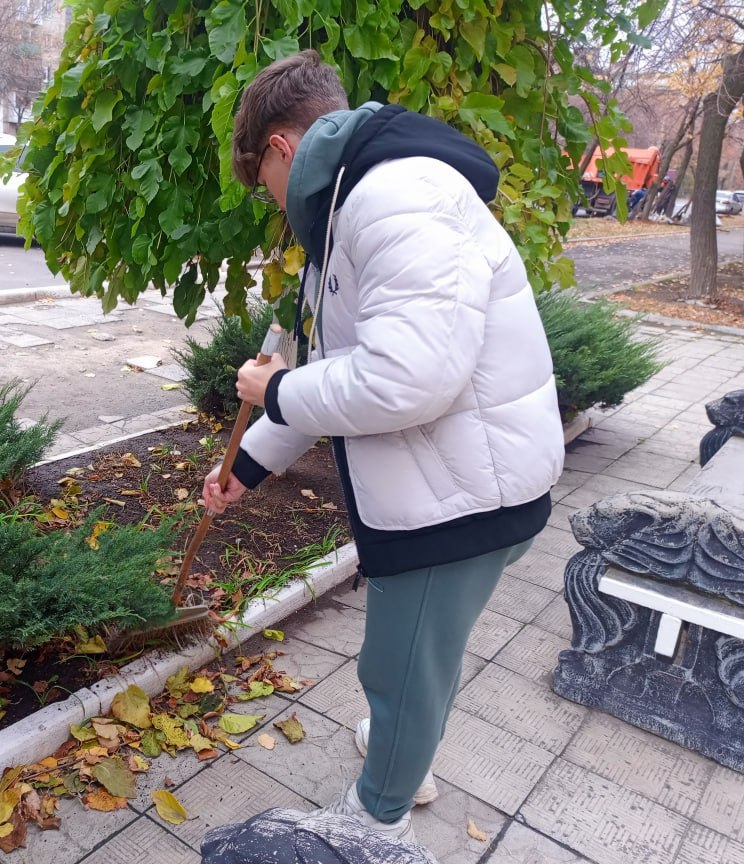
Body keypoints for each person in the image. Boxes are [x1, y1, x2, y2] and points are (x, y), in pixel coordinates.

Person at [201, 50, 564, 849]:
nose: (267, 194)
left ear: (281, 148)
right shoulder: (360, 204)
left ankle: (374, 821)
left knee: (398, 669)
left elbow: (408, 378)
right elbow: (341, 378)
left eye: (257, 172)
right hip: (471, 479)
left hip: (461, 495)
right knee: (425, 655)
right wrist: (246, 467)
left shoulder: (395, 197)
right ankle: (409, 753)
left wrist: (276, 392)